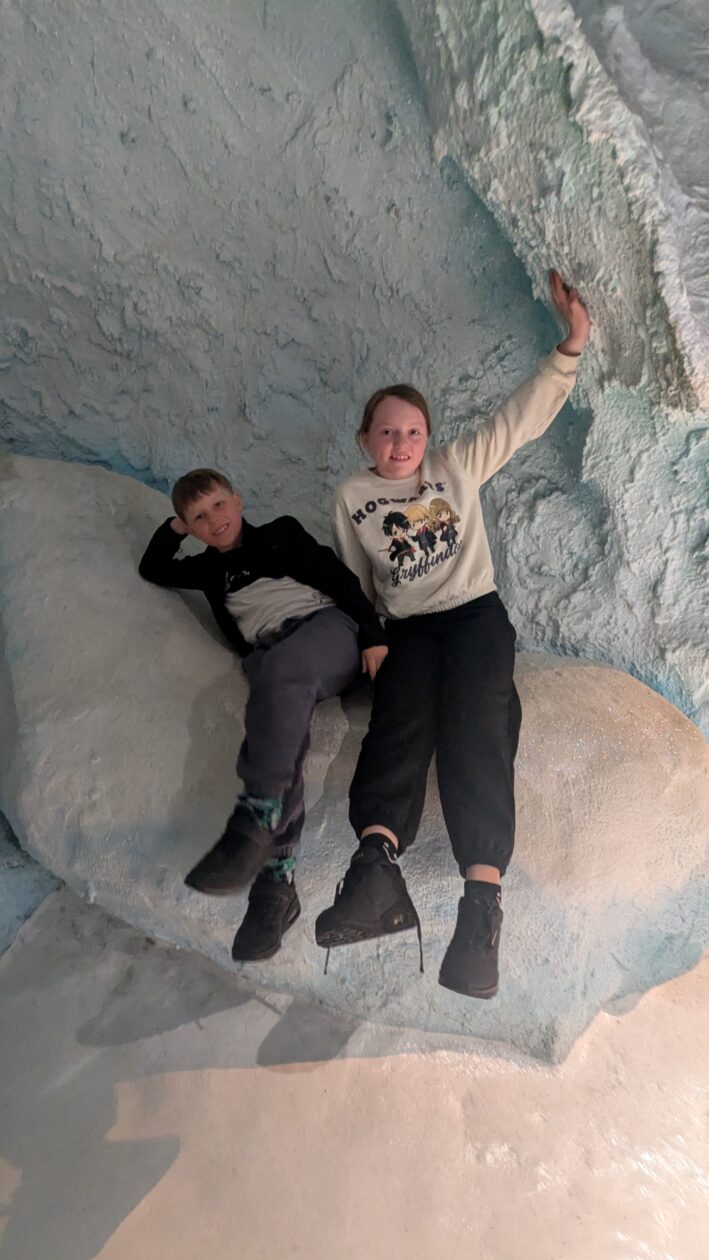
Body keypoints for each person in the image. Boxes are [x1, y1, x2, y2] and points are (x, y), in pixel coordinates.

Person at [315, 271, 590, 998]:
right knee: (397, 722)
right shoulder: (351, 496)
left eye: (412, 431)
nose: (400, 442)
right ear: (365, 439)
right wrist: (369, 636)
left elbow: (518, 420)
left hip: (473, 617)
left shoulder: (455, 467)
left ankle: (480, 910)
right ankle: (374, 871)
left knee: (478, 725)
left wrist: (570, 345)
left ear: (428, 437)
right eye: (386, 431)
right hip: (406, 629)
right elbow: (353, 578)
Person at [139, 468, 387, 962]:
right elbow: (155, 568)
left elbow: (338, 578)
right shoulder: (207, 570)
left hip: (324, 630)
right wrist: (174, 528)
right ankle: (277, 883)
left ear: (238, 500)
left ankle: (258, 812)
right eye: (198, 518)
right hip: (271, 656)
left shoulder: (280, 534)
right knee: (275, 722)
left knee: (284, 675)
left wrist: (373, 634)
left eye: (218, 505)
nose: (213, 520)